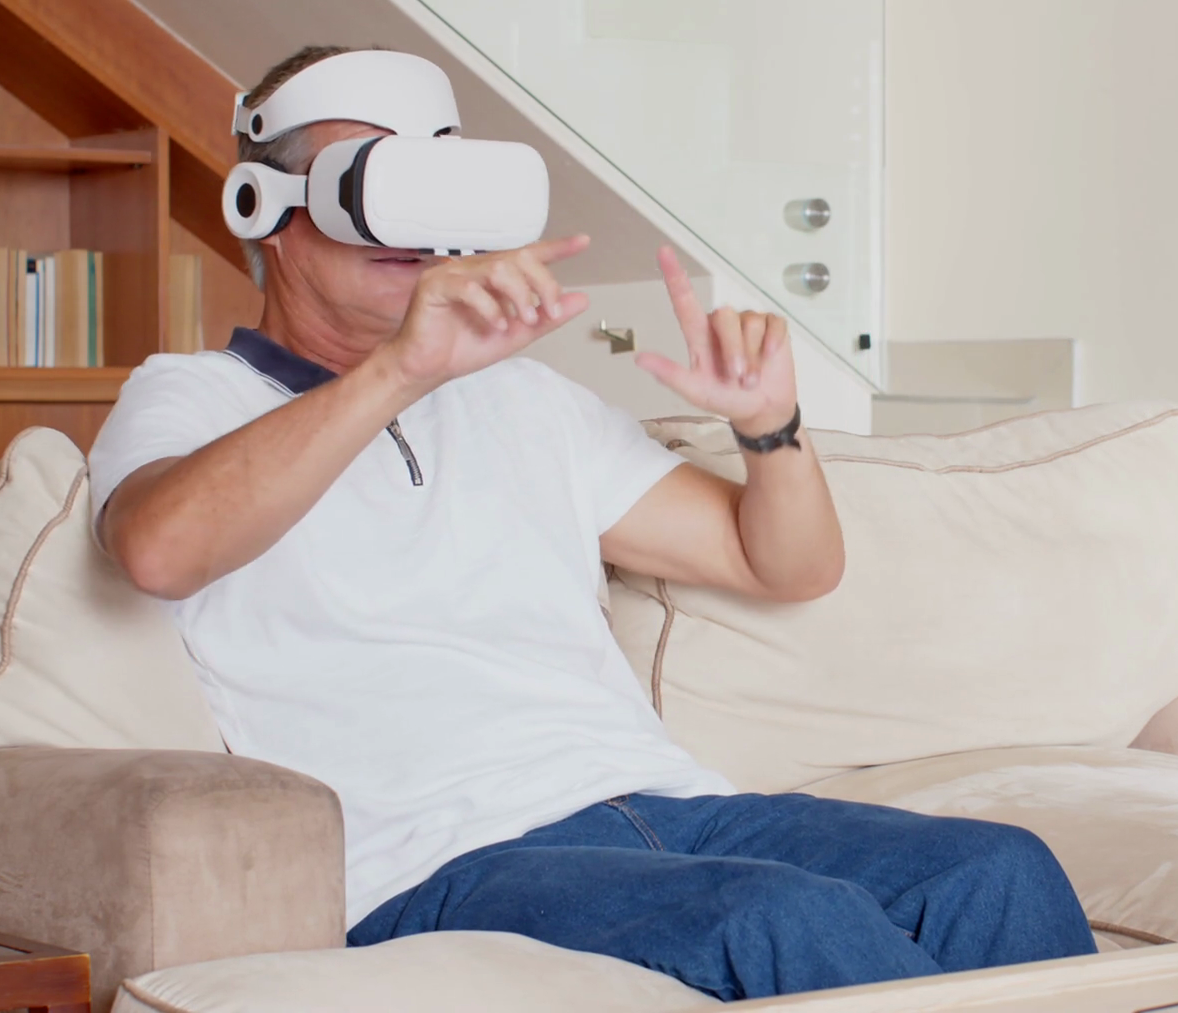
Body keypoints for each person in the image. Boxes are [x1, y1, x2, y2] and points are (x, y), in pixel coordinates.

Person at [89, 45, 1096, 1002]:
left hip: (666, 807)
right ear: (264, 209)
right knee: (782, 919)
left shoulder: (526, 401)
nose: (410, 222)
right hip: (441, 859)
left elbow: (784, 564)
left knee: (997, 869)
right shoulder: (193, 397)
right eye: (370, 184)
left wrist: (768, 424)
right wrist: (402, 368)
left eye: (430, 182)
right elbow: (159, 548)